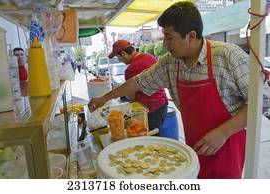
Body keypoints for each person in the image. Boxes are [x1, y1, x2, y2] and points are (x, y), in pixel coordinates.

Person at [88, 1, 270, 178]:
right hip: (192, 148)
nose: (165, 44)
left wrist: (224, 132)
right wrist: (104, 97)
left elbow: (262, 100)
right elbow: (138, 82)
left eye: (169, 37)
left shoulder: (227, 56)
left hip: (227, 148)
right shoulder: (170, 62)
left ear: (191, 36)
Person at [108, 40, 168, 131]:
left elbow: (131, 97)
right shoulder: (149, 56)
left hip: (149, 110)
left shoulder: (130, 70)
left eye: (117, 57)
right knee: (157, 135)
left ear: (123, 53)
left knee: (147, 138)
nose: (119, 60)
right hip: (162, 105)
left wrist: (124, 90)